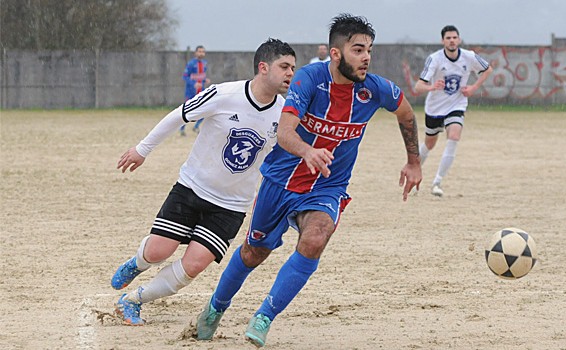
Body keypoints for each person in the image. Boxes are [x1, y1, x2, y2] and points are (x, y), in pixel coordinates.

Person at [194, 13, 422, 347]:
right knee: (254, 252)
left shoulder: (375, 89)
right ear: (335, 54)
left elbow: (406, 113)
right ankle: (216, 307)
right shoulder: (308, 80)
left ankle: (264, 316)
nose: (366, 57)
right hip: (280, 181)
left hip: (327, 187)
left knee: (315, 238)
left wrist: (413, 161)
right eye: (358, 50)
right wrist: (308, 151)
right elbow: (285, 132)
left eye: (369, 49)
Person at [110, 39, 296, 326]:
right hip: (193, 188)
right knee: (159, 251)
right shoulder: (224, 94)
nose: (290, 73)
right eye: (284, 66)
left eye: (293, 68)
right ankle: (137, 263)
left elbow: (284, 157)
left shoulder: (285, 113)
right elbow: (178, 116)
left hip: (232, 205)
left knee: (194, 265)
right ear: (263, 67)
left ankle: (133, 301)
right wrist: (142, 149)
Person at [414, 25, 492, 197]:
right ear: (443, 41)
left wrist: (474, 87)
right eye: (448, 38)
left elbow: (487, 69)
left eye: (454, 37)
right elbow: (418, 86)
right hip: (435, 108)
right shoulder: (434, 59)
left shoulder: (469, 56)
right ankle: (413, 173)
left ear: (459, 40)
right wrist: (432, 87)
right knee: (429, 144)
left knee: (454, 135)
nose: (452, 40)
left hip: (456, 104)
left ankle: (437, 182)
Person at [180, 45, 211, 136]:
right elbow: (185, 76)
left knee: (206, 108)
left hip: (201, 90)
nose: (201, 53)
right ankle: (182, 128)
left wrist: (205, 80)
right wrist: (193, 84)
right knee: (188, 110)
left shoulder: (204, 63)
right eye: (199, 51)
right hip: (191, 91)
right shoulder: (191, 64)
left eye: (203, 52)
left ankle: (196, 126)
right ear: (196, 53)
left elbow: (200, 75)